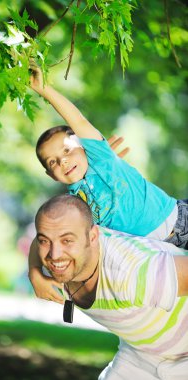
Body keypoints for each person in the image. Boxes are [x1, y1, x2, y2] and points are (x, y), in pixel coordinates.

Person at [28, 63, 188, 303]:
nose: (63, 161)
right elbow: (46, 236)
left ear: (82, 145)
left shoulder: (102, 159)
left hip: (179, 219)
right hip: (156, 252)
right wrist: (35, 273)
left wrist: (44, 89)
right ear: (51, 175)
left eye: (68, 150)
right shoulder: (74, 205)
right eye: (53, 162)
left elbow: (78, 121)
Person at [35, 194, 188, 380]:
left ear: (92, 236)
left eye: (67, 240)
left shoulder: (133, 272)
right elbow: (46, 234)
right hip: (142, 353)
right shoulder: (60, 253)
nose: (54, 254)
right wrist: (34, 271)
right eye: (45, 241)